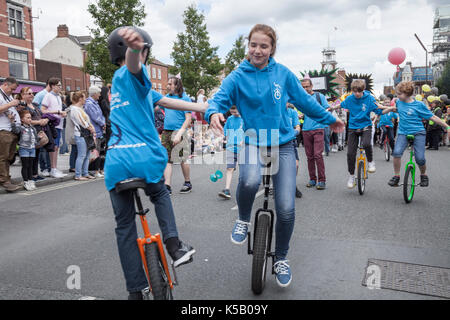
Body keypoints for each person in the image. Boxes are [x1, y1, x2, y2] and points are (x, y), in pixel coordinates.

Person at [205, 24, 345, 288]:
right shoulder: (237, 76)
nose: (257, 50)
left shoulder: (282, 73)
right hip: (253, 142)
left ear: (272, 49)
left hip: (282, 144)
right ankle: (243, 218)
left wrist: (330, 119)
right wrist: (213, 112)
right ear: (248, 46)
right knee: (248, 180)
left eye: (263, 46)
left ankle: (281, 257)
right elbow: (219, 99)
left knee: (287, 207)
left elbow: (305, 101)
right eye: (253, 45)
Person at [106, 26, 207, 299]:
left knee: (124, 227)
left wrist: (206, 107)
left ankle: (135, 291)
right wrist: (136, 48)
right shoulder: (131, 75)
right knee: (160, 191)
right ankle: (174, 245)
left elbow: (171, 103)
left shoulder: (117, 90)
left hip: (116, 162)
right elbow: (134, 67)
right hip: (144, 158)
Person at [384, 81, 450, 187]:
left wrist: (446, 126)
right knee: (396, 153)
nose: (397, 96)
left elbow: (432, 117)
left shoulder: (419, 105)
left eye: (399, 94)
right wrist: (380, 108)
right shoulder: (399, 102)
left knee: (420, 158)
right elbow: (395, 109)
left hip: (418, 132)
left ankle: (423, 175)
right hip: (403, 132)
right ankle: (396, 176)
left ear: (407, 94)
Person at [340, 79, 384, 189]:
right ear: (352, 91)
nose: (357, 94)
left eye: (359, 91)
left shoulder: (369, 98)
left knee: (367, 144)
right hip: (353, 128)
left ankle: (371, 162)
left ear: (363, 90)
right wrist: (330, 108)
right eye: (355, 91)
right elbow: (340, 105)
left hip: (366, 126)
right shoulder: (349, 99)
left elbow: (379, 110)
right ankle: (351, 176)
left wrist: (392, 109)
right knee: (350, 153)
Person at [160, 77, 193, 195]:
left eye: (170, 84)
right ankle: (167, 186)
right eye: (167, 83)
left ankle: (187, 183)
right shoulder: (166, 98)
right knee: (167, 160)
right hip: (166, 132)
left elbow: (188, 119)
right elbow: (156, 108)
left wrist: (179, 134)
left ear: (177, 86)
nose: (167, 86)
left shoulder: (185, 98)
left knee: (182, 159)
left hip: (180, 132)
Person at [300, 78, 329, 190]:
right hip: (306, 129)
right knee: (309, 156)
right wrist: (302, 115)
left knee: (317, 155)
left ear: (312, 86)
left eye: (307, 86)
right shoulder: (302, 98)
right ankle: (312, 179)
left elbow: (327, 108)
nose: (305, 89)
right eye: (303, 87)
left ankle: (322, 180)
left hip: (318, 129)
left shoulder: (319, 96)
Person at [19, 87, 48, 182]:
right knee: (29, 158)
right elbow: (25, 120)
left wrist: (45, 120)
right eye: (29, 93)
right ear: (23, 95)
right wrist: (39, 122)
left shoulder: (34, 105)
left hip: (37, 132)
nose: (32, 95)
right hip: (27, 133)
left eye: (32, 93)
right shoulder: (22, 107)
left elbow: (40, 115)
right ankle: (29, 176)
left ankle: (35, 174)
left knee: (36, 154)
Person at [41, 78, 68, 178]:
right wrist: (57, 112)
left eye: (60, 85)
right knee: (54, 147)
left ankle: (54, 168)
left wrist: (62, 114)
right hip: (52, 125)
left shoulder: (58, 97)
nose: (60, 87)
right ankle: (52, 169)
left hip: (59, 124)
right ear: (52, 86)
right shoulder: (48, 96)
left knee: (56, 147)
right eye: (58, 85)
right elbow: (42, 111)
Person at [0, 77, 22, 192]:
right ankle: (4, 181)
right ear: (5, 85)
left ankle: (6, 177)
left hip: (11, 130)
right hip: (3, 130)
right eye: (12, 89)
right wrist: (10, 104)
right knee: (3, 157)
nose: (12, 92)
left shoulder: (7, 95)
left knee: (9, 157)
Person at [69, 91, 96, 181]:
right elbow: (81, 122)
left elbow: (87, 120)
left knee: (87, 155)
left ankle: (85, 173)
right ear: (80, 99)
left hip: (86, 134)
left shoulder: (80, 108)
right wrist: (90, 127)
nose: (85, 99)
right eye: (84, 98)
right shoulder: (74, 109)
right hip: (80, 134)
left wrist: (91, 127)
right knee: (81, 155)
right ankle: (78, 175)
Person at [218, 106, 244, 199]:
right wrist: (224, 139)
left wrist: (244, 140)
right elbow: (226, 131)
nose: (234, 114)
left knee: (243, 170)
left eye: (235, 112)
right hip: (231, 148)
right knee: (230, 168)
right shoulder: (229, 119)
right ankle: (227, 189)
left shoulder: (245, 118)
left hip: (243, 149)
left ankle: (243, 190)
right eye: (232, 112)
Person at [11, 110, 39, 191]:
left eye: (30, 118)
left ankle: (30, 180)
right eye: (28, 118)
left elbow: (35, 138)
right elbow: (15, 131)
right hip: (24, 148)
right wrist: (12, 122)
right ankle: (25, 181)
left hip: (32, 148)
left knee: (30, 165)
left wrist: (39, 138)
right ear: (22, 119)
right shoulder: (21, 127)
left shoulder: (33, 128)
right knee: (25, 165)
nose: (30, 119)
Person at [84, 86, 106, 178]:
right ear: (94, 93)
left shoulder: (95, 103)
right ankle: (96, 171)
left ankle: (101, 169)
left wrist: (103, 123)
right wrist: (103, 124)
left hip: (99, 130)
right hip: (95, 130)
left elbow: (101, 115)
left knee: (101, 151)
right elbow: (95, 117)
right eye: (99, 93)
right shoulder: (89, 104)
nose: (100, 95)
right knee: (96, 151)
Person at [33, 79, 52, 177]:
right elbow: (35, 108)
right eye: (58, 85)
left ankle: (48, 168)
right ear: (50, 85)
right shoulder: (40, 94)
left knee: (48, 147)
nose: (60, 87)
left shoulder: (52, 95)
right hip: (40, 124)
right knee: (42, 148)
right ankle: (43, 168)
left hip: (48, 123)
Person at [287, 103, 303, 196]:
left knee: (295, 165)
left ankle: (293, 184)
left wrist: (295, 132)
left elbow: (297, 126)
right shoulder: (275, 111)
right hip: (276, 141)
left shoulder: (292, 112)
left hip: (291, 141)